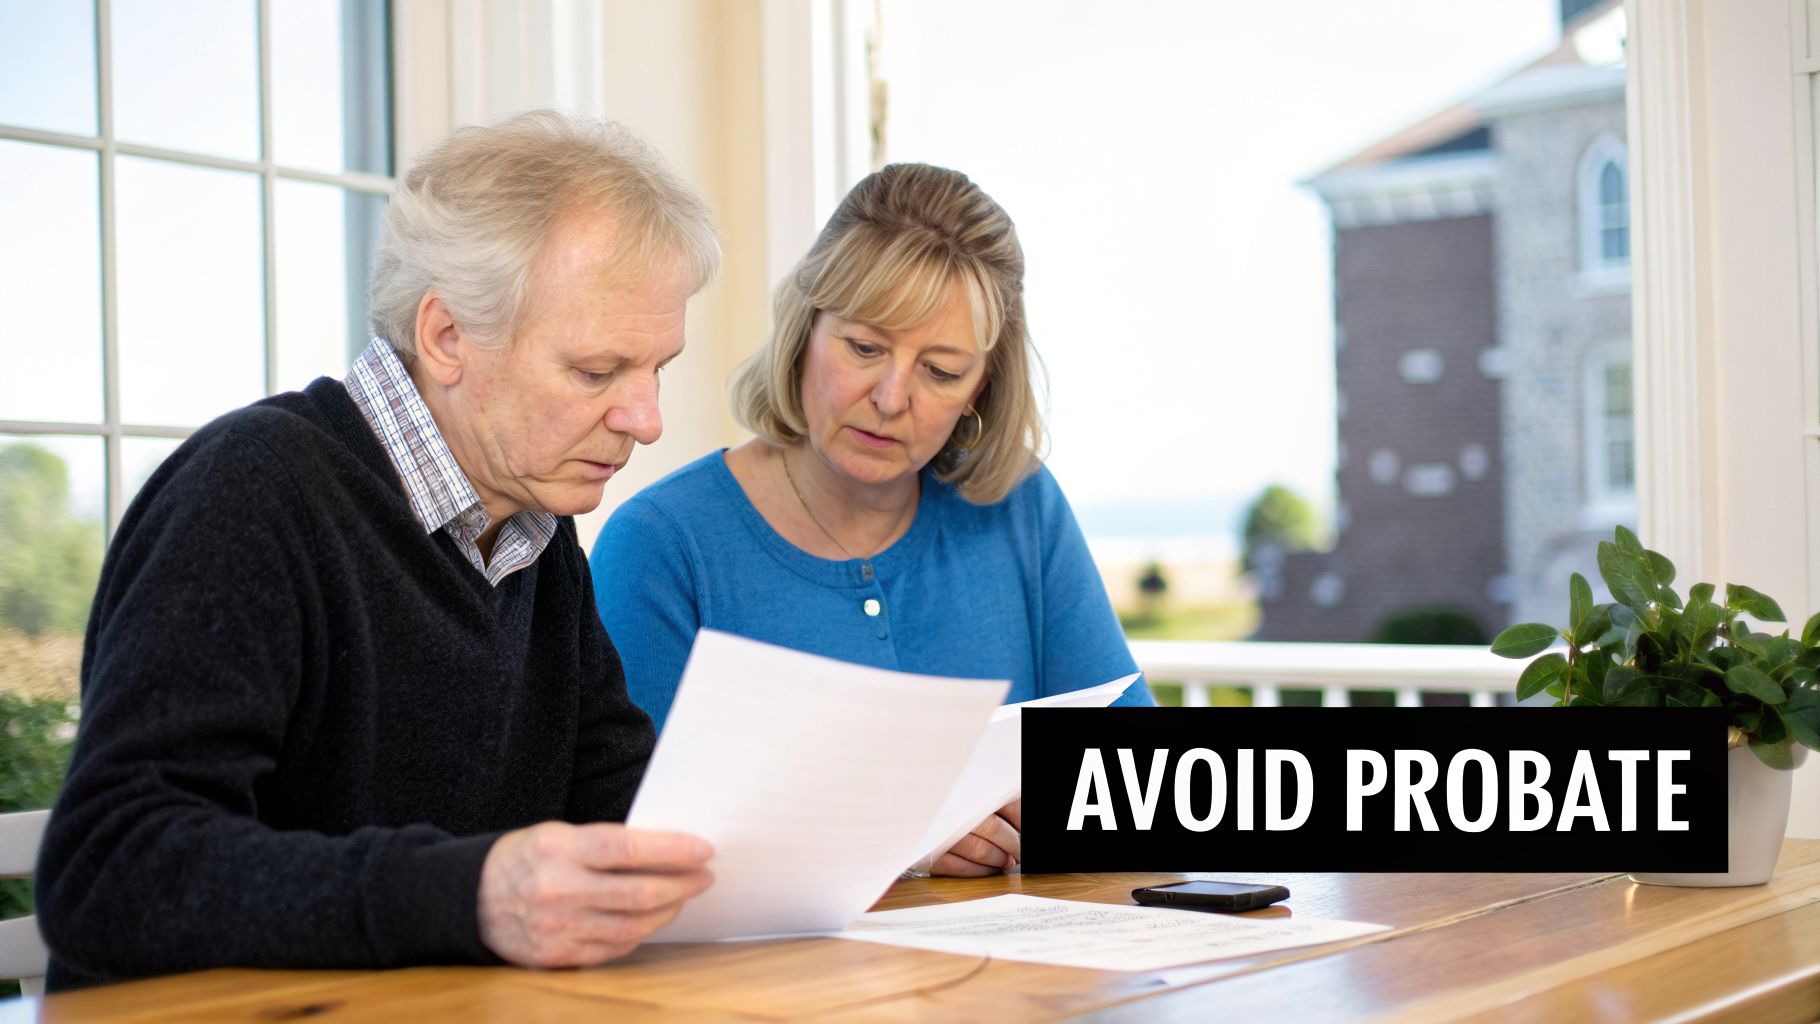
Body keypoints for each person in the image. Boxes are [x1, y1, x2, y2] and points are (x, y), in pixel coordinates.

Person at [36, 112, 721, 990]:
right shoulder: (252, 491)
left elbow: (627, 805)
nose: (647, 420)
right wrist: (469, 895)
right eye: (597, 372)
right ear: (445, 338)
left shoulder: (534, 536)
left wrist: (865, 823)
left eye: (656, 368)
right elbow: (110, 872)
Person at [590, 163, 1152, 878]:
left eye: (941, 371)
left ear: (983, 386)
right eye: (864, 348)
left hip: (1016, 978)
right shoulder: (663, 545)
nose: (891, 398)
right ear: (805, 331)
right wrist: (893, 834)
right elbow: (632, 842)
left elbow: (1141, 787)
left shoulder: (1020, 509)